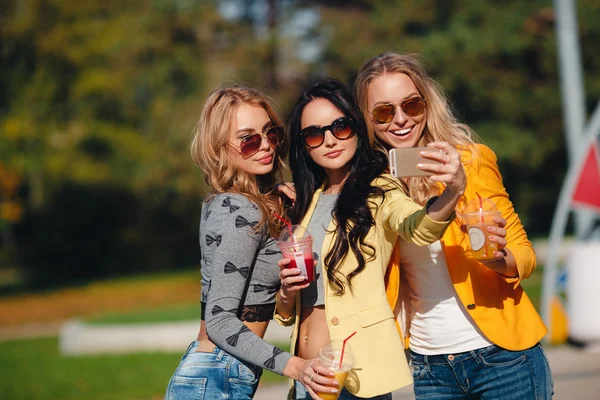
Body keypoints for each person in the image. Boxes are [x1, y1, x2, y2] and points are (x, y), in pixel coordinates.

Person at [354, 52, 553, 400]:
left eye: (411, 105)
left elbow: (524, 256)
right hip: (430, 367)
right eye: (384, 112)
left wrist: (495, 257)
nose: (400, 119)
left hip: (502, 356)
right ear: (367, 119)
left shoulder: (471, 161)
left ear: (427, 104)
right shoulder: (369, 187)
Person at [274, 78, 466, 400]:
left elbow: (419, 226)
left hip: (354, 376)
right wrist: (285, 291)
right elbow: (290, 311)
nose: (330, 140)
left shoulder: (379, 190)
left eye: (341, 127)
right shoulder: (307, 203)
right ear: (303, 145)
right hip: (306, 377)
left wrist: (453, 190)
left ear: (357, 127)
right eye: (314, 134)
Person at [164, 83, 332, 400]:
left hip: (217, 371)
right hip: (216, 374)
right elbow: (219, 321)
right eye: (249, 140)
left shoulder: (233, 202)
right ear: (219, 147)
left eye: (271, 133)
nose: (266, 146)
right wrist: (295, 367)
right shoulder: (240, 209)